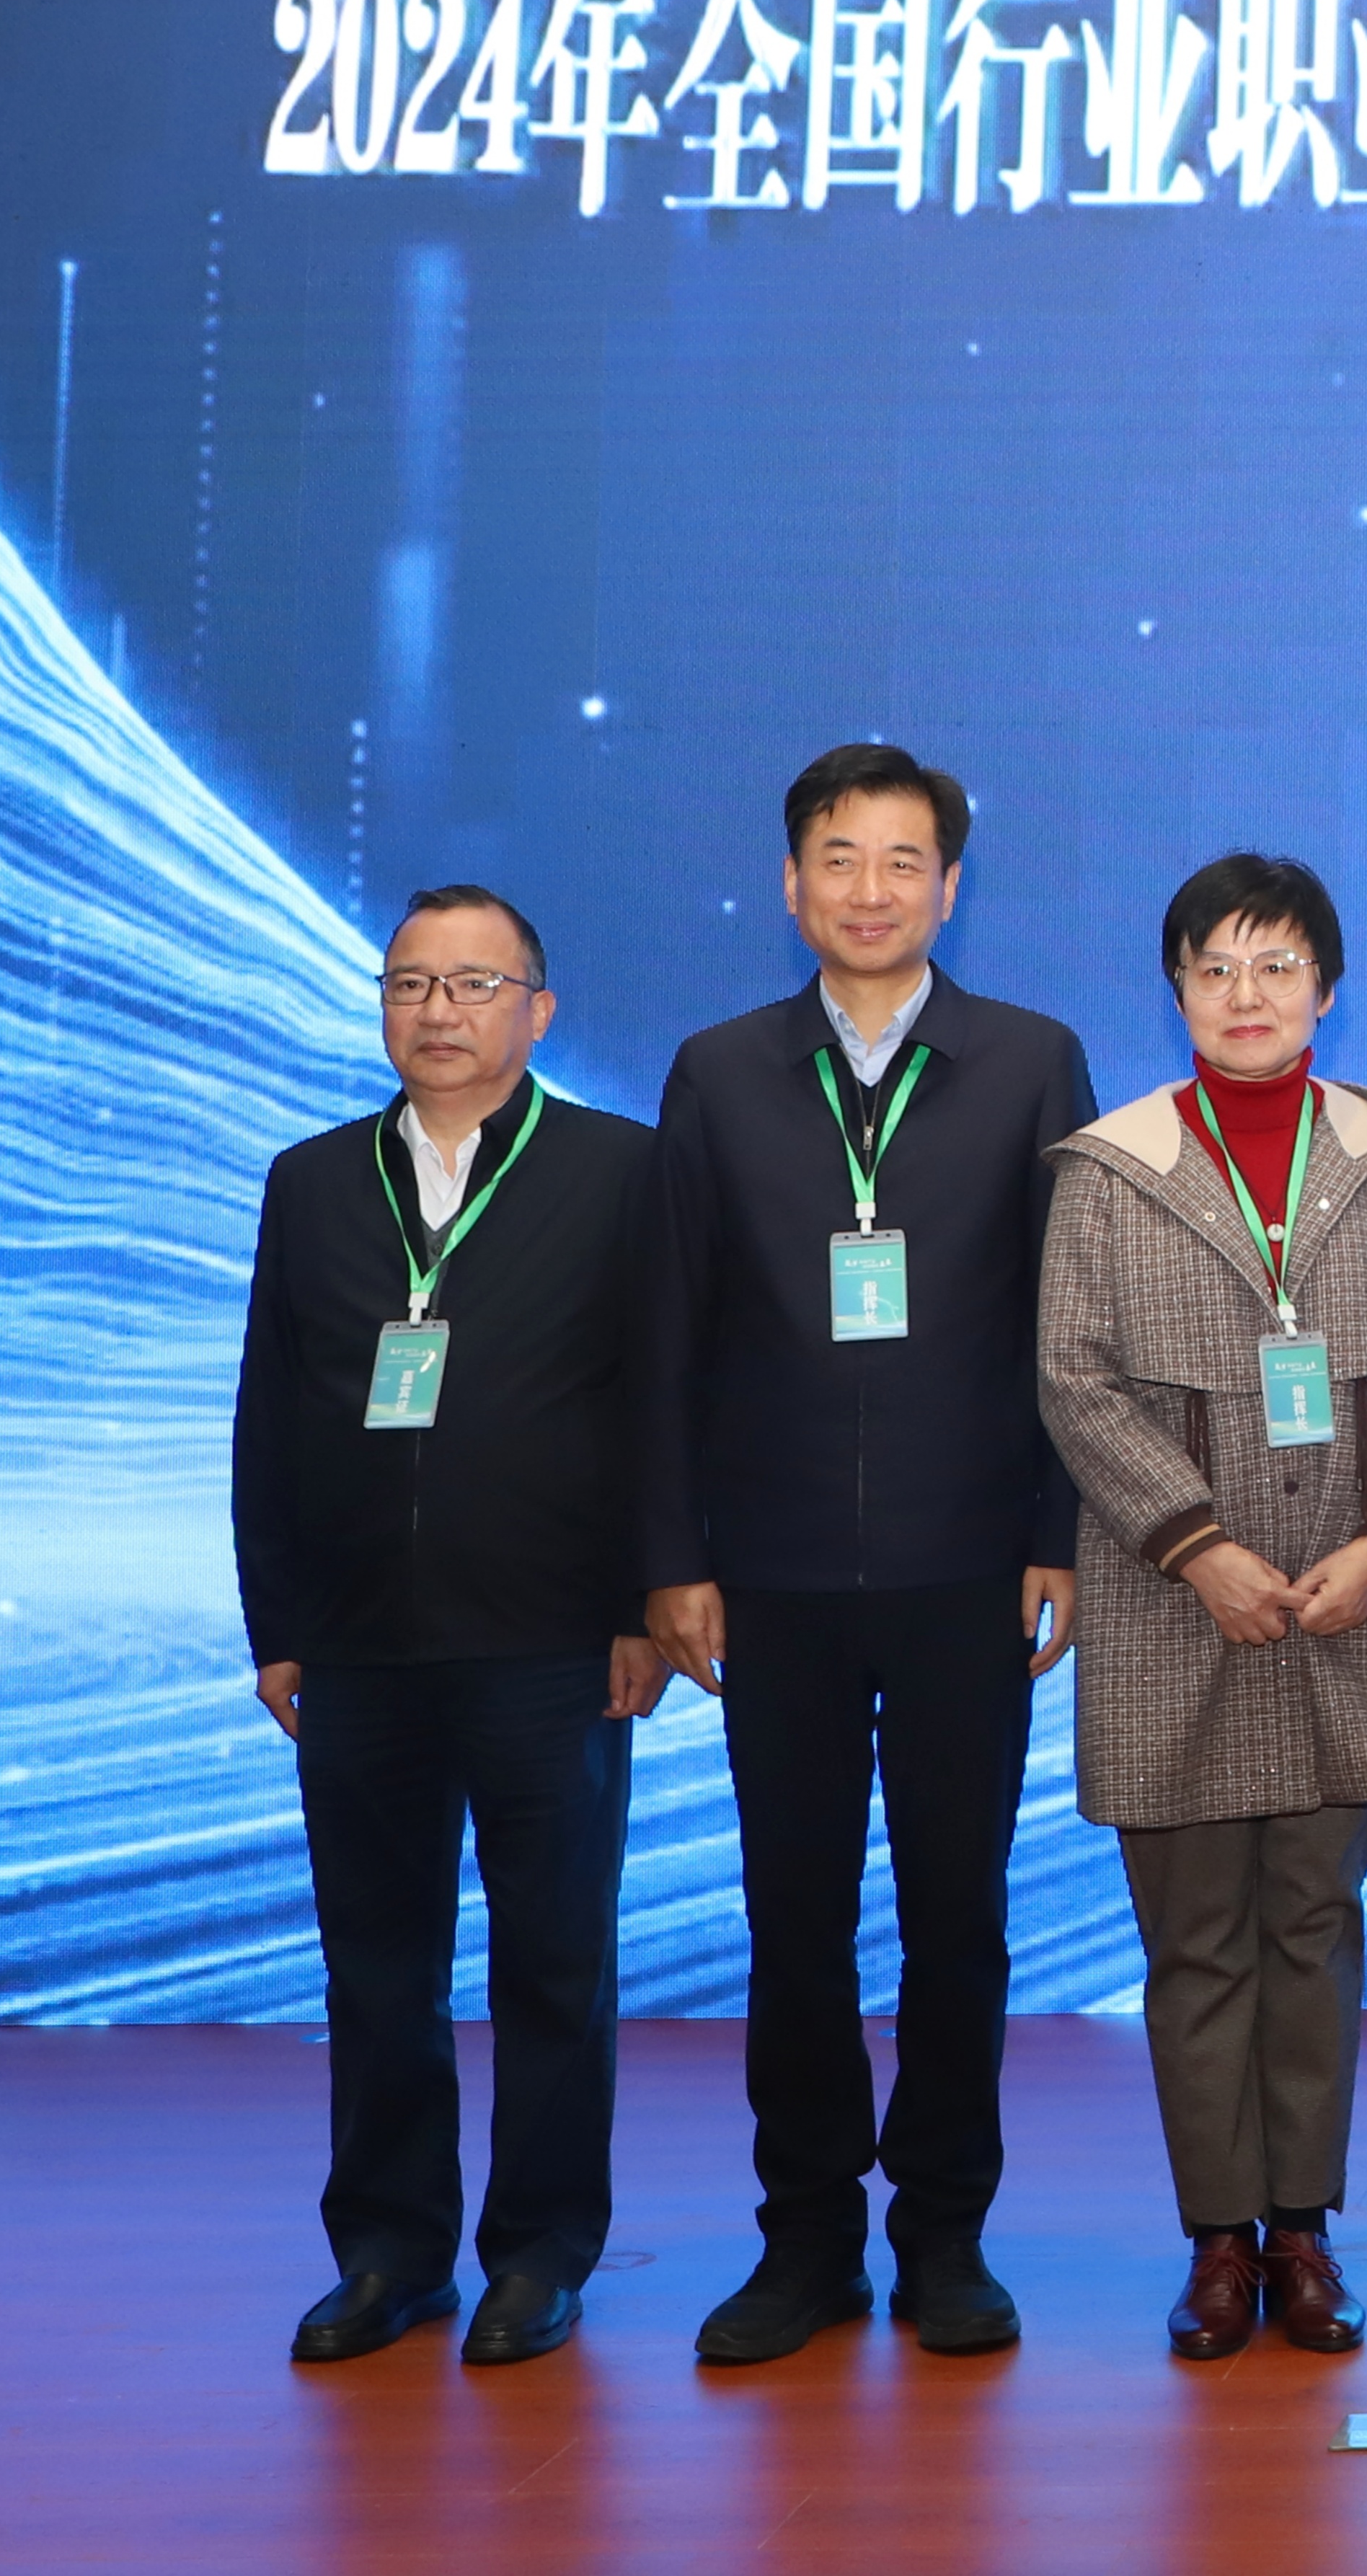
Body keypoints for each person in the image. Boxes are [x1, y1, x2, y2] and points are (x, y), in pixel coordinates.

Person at [644, 745, 1099, 2363]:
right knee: (796, 1918)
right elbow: (669, 1328)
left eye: (905, 862)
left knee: (957, 1916)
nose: (870, 890)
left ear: (950, 889)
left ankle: (947, 2235)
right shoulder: (719, 1071)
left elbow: (1072, 1325)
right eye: (838, 858)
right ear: (791, 884)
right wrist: (672, 1552)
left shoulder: (1030, 1061)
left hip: (970, 1560)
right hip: (768, 1571)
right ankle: (809, 2240)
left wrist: (1059, 1532)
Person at [1037, 854, 1367, 2359]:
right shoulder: (1109, 1166)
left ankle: (1303, 2231)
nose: (1245, 994)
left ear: (1325, 989)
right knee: (1198, 1939)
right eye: (1214, 967)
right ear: (1175, 990)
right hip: (1176, 1609)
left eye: (1277, 966)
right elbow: (1075, 1382)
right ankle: (1218, 2240)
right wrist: (1198, 1547)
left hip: (1351, 1603)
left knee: (1316, 1926)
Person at [237, 888, 665, 2367]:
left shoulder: (619, 1172)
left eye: (474, 984)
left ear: (537, 1010)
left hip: (556, 1641)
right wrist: (278, 1619)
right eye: (411, 982)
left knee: (556, 1959)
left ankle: (539, 2252)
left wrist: (646, 1604)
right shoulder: (312, 1180)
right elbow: (270, 1410)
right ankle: (389, 2252)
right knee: (376, 1962)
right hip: (358, 1642)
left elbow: (661, 1407)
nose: (438, 1010)